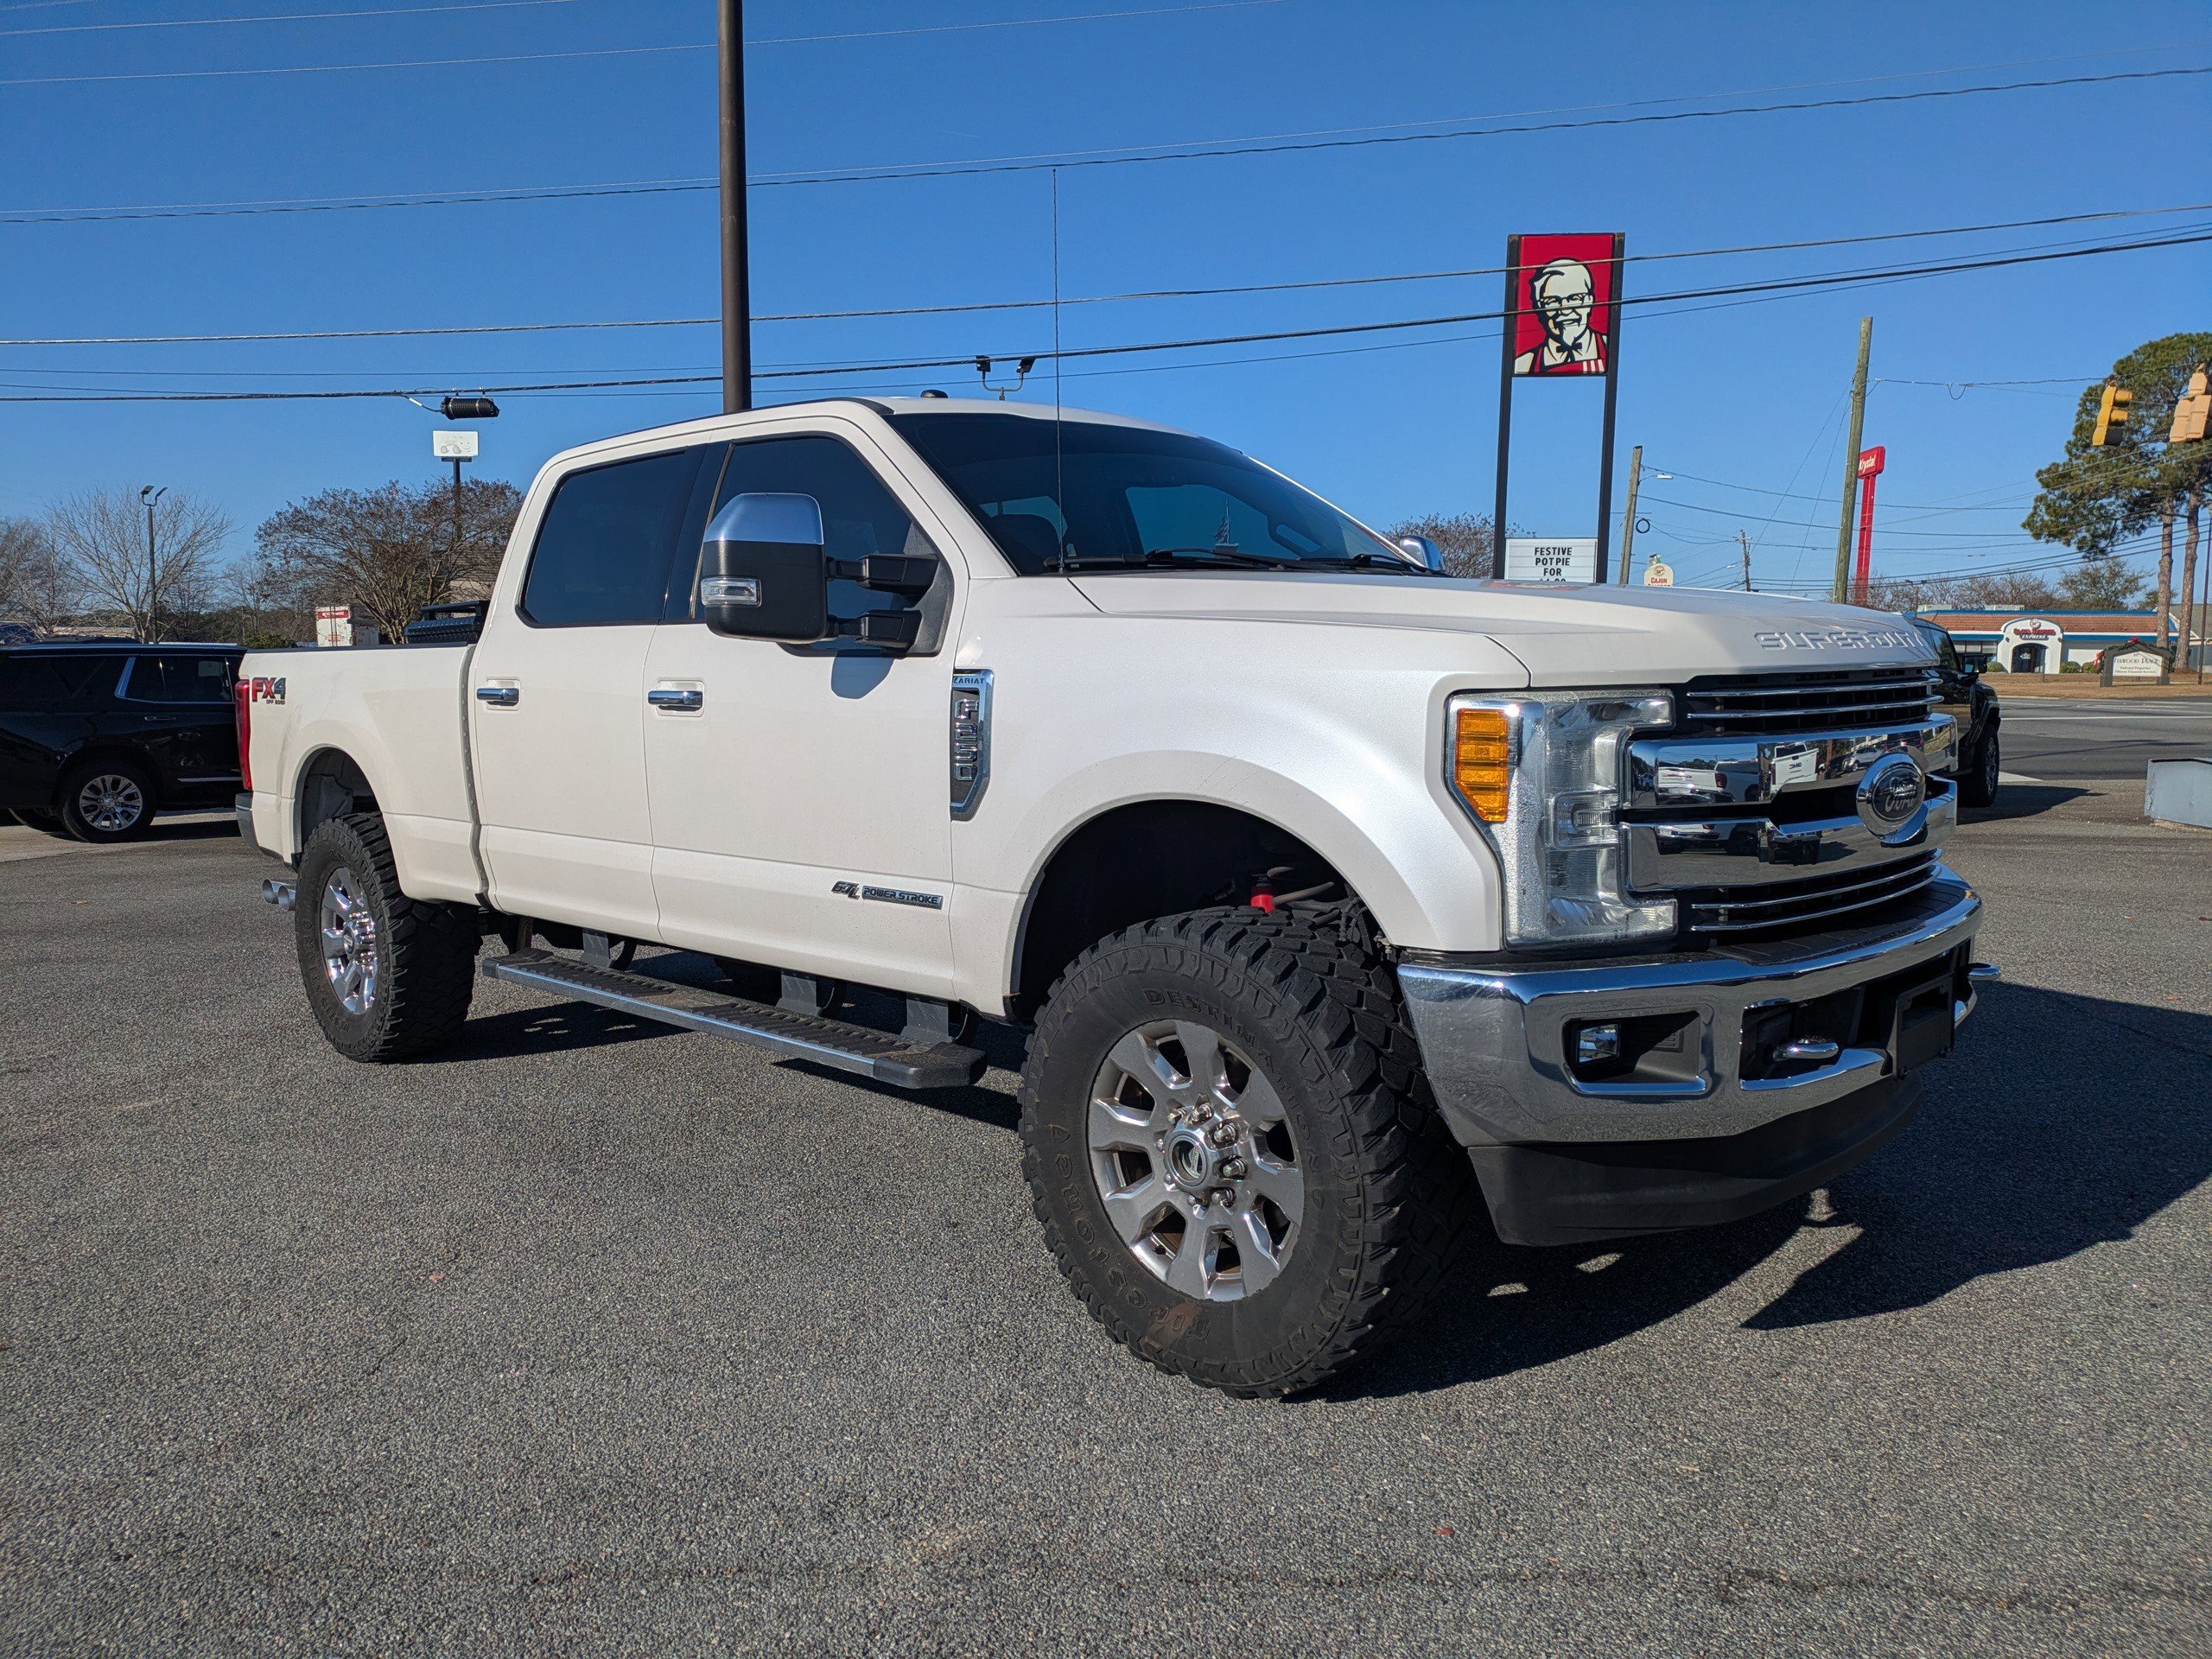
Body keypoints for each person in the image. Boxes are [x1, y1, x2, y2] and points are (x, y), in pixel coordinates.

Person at [1513, 257, 1607, 375]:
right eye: (1553, 301)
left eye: (1575, 298)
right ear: (1540, 307)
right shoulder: (1524, 364)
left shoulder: (1609, 348)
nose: (1565, 310)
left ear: (1589, 301)